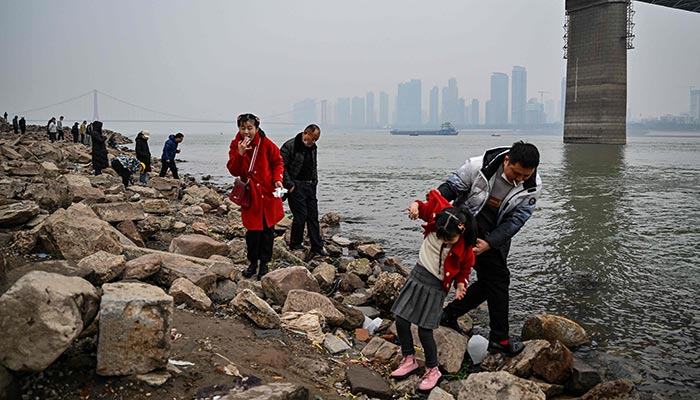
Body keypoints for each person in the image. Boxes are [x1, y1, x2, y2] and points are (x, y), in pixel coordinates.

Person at [437, 141, 542, 356]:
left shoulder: (533, 186)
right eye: (516, 173)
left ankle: (448, 315)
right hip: (466, 225)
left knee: (490, 282)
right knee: (498, 279)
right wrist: (429, 210)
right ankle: (499, 339)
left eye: (525, 175)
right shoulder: (478, 166)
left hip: (495, 233)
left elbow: (517, 220)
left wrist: (490, 243)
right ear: (506, 161)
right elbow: (449, 188)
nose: (520, 179)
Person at [390, 189, 476, 392]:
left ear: (460, 233)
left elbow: (465, 269)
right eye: (441, 236)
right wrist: (414, 206)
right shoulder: (438, 218)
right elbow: (422, 205)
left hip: (436, 287)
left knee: (425, 329)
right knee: (401, 319)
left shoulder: (464, 248)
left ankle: (433, 369)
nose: (445, 240)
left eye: (450, 239)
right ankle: (409, 357)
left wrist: (461, 285)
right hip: (417, 276)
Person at [226, 113, 285, 280]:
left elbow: (278, 163)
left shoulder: (266, 144)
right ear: (239, 128)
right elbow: (234, 171)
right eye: (243, 128)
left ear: (257, 128)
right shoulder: (235, 144)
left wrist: (278, 180)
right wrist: (240, 154)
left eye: (250, 128)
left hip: (268, 193)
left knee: (267, 231)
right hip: (251, 195)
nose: (246, 132)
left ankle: (264, 264)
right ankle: (252, 263)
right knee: (252, 232)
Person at [280, 124, 328, 257]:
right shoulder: (289, 146)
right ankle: (296, 244)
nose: (313, 142)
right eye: (313, 138)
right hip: (296, 186)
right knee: (300, 216)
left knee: (313, 216)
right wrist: (290, 185)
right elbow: (281, 166)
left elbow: (313, 166)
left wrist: (315, 181)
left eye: (316, 139)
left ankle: (317, 247)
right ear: (305, 133)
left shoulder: (313, 147)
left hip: (310, 186)